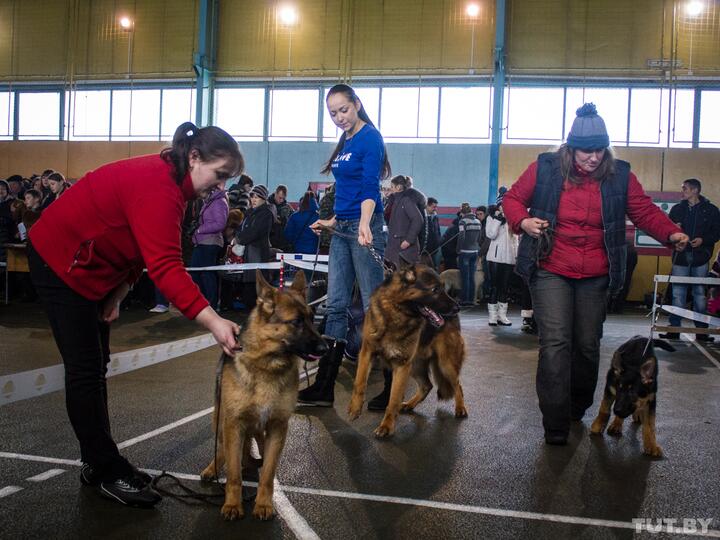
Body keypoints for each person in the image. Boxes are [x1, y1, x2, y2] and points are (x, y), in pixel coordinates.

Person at [27, 122, 244, 507]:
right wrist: (213, 321)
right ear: (194, 158)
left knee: (96, 366)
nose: (220, 186)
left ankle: (99, 461)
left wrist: (121, 290)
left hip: (94, 269)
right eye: (219, 175)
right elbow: (165, 266)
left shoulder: (176, 183)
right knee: (85, 369)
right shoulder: (159, 186)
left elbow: (138, 243)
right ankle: (106, 468)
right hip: (59, 261)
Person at [503, 103, 688, 446]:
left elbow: (644, 210)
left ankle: (577, 406)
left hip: (596, 272)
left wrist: (670, 233)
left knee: (587, 346)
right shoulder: (545, 168)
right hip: (551, 266)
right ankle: (555, 423)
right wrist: (523, 221)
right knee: (556, 343)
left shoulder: (619, 175)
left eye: (599, 150)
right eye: (586, 150)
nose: (593, 157)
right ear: (570, 148)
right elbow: (513, 199)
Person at [298, 83, 391, 408]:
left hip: (366, 228)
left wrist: (365, 223)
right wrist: (332, 222)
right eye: (333, 112)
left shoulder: (370, 137)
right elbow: (346, 189)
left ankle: (392, 386)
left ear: (357, 104)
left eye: (344, 109)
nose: (339, 117)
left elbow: (369, 186)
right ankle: (323, 387)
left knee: (373, 307)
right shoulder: (346, 140)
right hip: (343, 230)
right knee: (335, 306)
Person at [659, 178, 720, 342]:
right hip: (680, 257)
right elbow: (668, 229)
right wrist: (675, 233)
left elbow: (717, 233)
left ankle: (702, 332)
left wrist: (703, 240)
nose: (682, 191)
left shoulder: (712, 210)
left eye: (685, 188)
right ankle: (674, 330)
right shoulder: (677, 209)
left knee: (700, 294)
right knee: (678, 293)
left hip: (701, 257)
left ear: (695, 190)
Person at [234, 184, 274, 310]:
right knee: (249, 286)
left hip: (258, 254)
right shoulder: (249, 213)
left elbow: (255, 232)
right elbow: (242, 229)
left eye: (257, 197)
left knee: (257, 285)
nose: (254, 199)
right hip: (248, 253)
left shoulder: (266, 213)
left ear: (264, 199)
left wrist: (239, 238)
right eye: (252, 196)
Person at [485, 191, 518, 325]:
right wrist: (498, 220)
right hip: (495, 258)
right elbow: (491, 235)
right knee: (494, 286)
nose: (505, 207)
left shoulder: (512, 218)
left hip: (509, 258)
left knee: (505, 287)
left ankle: (502, 316)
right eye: (502, 204)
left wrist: (516, 255)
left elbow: (516, 238)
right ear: (499, 205)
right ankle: (492, 316)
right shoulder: (491, 218)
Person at [385, 174, 427, 267]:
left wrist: (408, 240)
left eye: (392, 187)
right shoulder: (395, 200)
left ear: (398, 187)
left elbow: (418, 219)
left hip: (403, 250)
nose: (390, 189)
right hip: (396, 248)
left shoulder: (406, 201)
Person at [457, 202, 482, 307]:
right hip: (475, 252)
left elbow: (461, 237)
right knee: (472, 276)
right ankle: (471, 300)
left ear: (462, 212)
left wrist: (458, 249)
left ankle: (464, 300)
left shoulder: (462, 222)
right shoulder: (478, 221)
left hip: (465, 252)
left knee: (465, 276)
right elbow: (480, 237)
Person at [284, 190, 320, 256]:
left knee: (298, 265)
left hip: (297, 249)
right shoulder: (318, 217)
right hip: (313, 251)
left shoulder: (295, 216)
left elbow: (288, 234)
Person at [425, 197, 442, 269]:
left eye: (436, 207)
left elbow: (437, 230)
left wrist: (439, 241)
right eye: (433, 207)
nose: (435, 209)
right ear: (427, 206)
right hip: (425, 249)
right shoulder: (422, 217)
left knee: (434, 267)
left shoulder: (435, 216)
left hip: (434, 248)